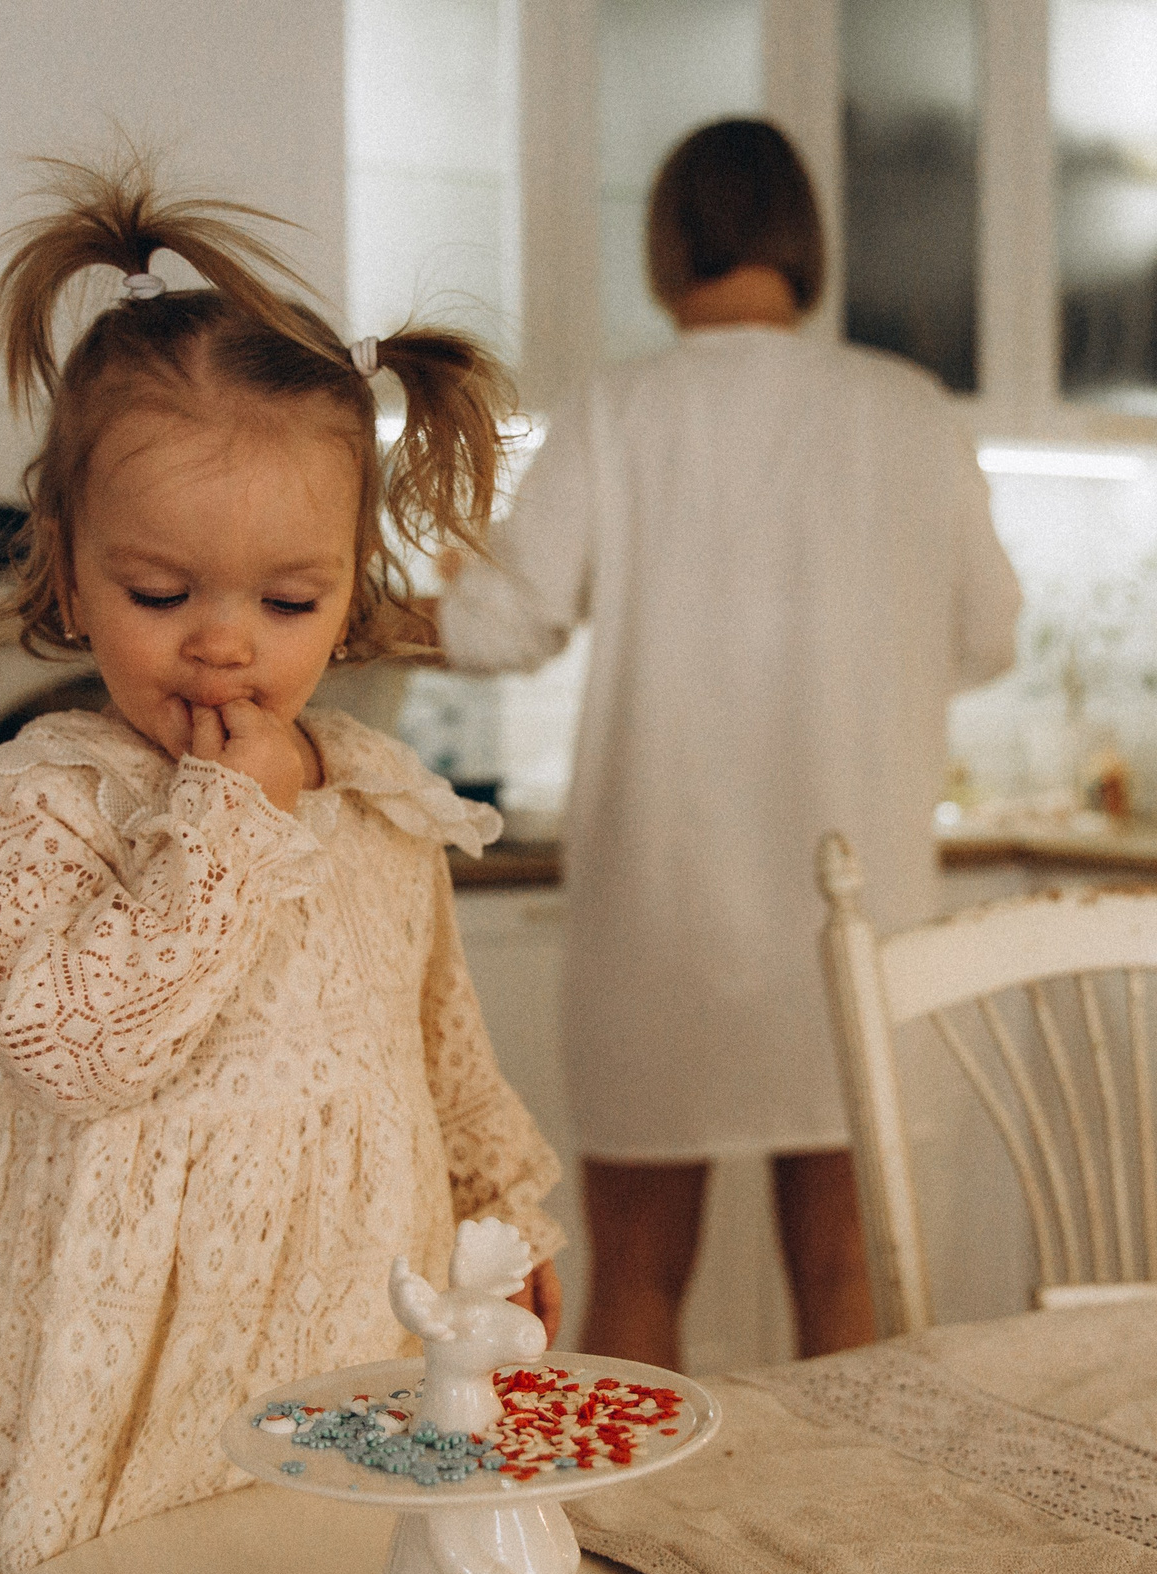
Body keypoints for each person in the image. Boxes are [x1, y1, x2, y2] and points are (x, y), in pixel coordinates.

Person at [0, 155, 565, 1574]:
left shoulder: (378, 801)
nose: (223, 646)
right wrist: (221, 822)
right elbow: (80, 1046)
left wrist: (507, 1221)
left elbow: (439, 1046)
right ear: (65, 569)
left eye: (287, 599)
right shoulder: (46, 801)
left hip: (353, 1341)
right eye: (161, 592)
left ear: (353, 584)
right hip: (124, 1381)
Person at [437, 119, 1020, 1369]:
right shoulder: (908, 411)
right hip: (847, 914)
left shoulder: (619, 407)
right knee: (845, 1285)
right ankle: (836, 1554)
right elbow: (989, 633)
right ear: (804, 245)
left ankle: (623, 1554)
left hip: (664, 919)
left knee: (639, 1278)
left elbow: (498, 627)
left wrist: (428, 584)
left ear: (665, 248)